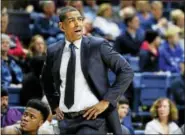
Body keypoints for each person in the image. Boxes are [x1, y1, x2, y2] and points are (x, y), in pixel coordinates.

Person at [41, 6, 134, 135]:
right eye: (72, 20)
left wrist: (106, 101)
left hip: (92, 119)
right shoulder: (53, 50)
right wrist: (55, 105)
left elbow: (126, 71)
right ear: (62, 27)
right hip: (66, 121)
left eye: (80, 19)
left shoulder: (98, 45)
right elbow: (46, 80)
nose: (78, 23)